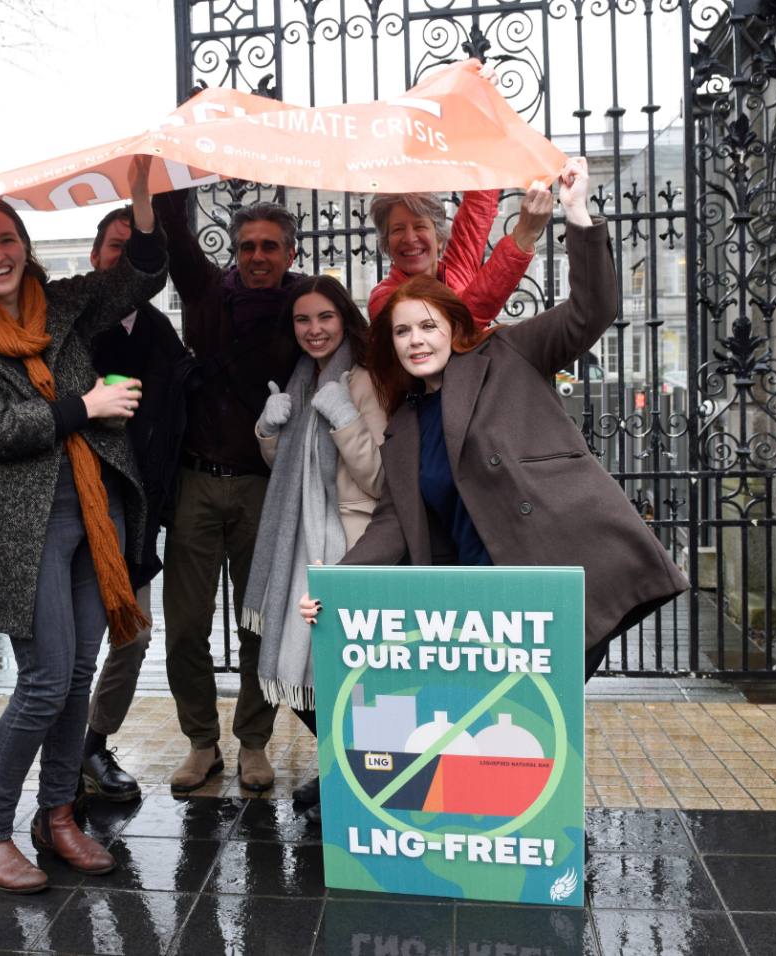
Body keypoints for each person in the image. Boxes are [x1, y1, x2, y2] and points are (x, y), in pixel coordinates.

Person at [300, 157, 690, 682]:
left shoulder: (509, 354)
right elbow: (393, 524)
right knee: (507, 742)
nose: (416, 340)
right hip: (487, 610)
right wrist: (335, 586)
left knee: (537, 734)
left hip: (563, 580)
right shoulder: (406, 428)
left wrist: (575, 213)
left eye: (428, 326)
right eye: (401, 331)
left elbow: (590, 312)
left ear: (452, 324)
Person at [0, 157, 166, 894]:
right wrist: (83, 407)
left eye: (7, 240)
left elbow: (140, 277)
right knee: (43, 680)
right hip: (19, 527)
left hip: (96, 511)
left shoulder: (62, 304)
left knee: (78, 676)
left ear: (24, 246)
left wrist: (142, 206)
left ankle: (58, 815)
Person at [153, 188, 302, 794]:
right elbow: (175, 236)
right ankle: (200, 743)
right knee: (185, 624)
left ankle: (255, 744)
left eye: (269, 246)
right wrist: (167, 174)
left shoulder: (303, 302)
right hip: (196, 481)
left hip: (263, 487)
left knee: (257, 625)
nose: (257, 256)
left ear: (290, 252)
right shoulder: (208, 293)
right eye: (247, 246)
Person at [243, 274, 387, 821]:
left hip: (345, 543)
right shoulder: (302, 381)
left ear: (344, 319)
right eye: (303, 319)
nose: (314, 329)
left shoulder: (363, 381)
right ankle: (338, 769)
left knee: (336, 672)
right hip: (297, 541)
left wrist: (344, 414)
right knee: (300, 665)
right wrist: (268, 431)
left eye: (324, 317)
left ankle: (352, 780)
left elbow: (377, 478)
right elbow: (290, 473)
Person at [82, 205, 197, 801]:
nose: (122, 259)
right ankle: (58, 757)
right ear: (97, 252)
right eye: (113, 246)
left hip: (133, 509)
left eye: (135, 249)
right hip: (68, 502)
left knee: (135, 635)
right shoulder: (64, 321)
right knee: (69, 644)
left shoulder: (157, 330)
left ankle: (93, 746)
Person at [366, 184, 552, 325]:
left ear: (440, 239)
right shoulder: (382, 300)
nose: (409, 238)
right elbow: (462, 321)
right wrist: (525, 235)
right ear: (387, 244)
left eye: (419, 226)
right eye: (397, 230)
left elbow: (479, 206)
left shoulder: (457, 266)